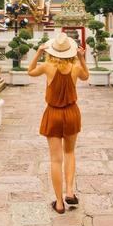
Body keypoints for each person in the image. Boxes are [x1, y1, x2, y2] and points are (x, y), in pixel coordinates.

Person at [28, 33, 89, 214]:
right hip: (71, 113)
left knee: (56, 160)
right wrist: (81, 58)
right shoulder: (75, 68)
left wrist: (39, 52)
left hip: (53, 114)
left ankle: (60, 203)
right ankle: (70, 191)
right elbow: (86, 76)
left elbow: (30, 71)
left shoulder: (48, 67)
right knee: (69, 152)